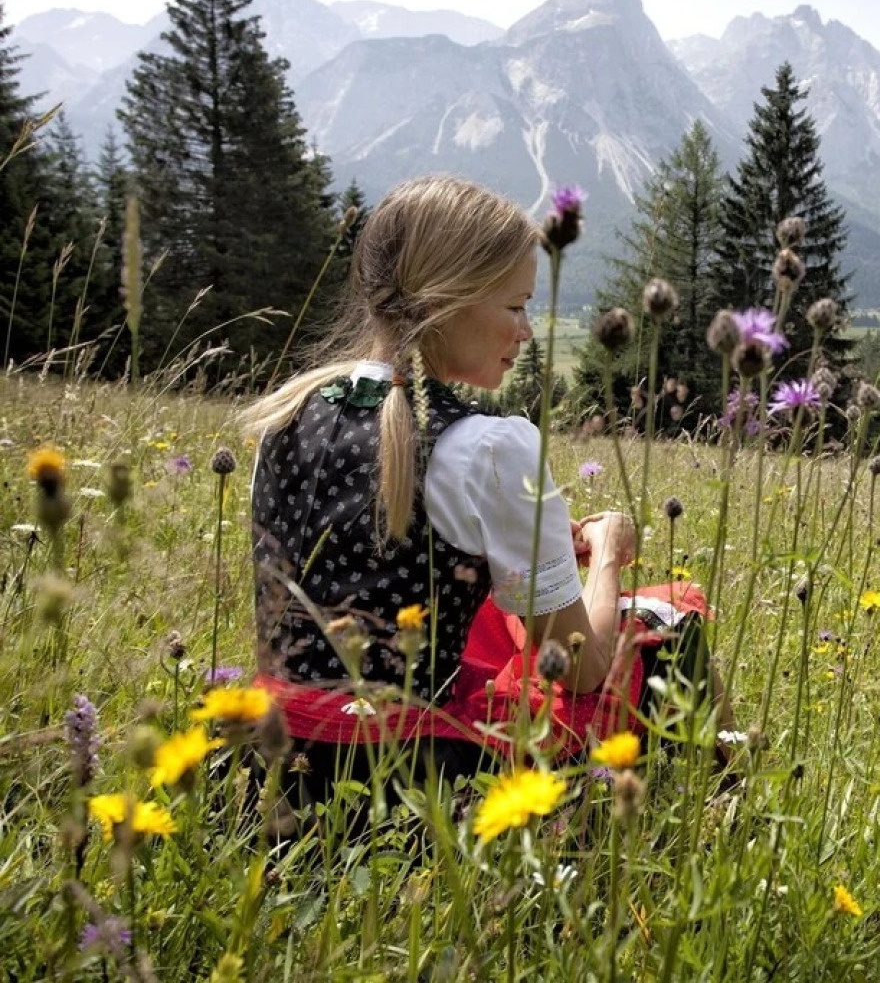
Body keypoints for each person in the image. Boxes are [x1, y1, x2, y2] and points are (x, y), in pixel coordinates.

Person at [244, 175, 725, 811]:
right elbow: (580, 667)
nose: (525, 332)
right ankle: (706, 799)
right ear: (449, 301)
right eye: (515, 306)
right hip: (417, 782)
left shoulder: (282, 419)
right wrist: (606, 556)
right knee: (670, 625)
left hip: (274, 769)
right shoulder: (489, 449)